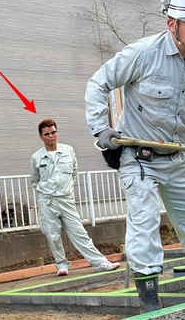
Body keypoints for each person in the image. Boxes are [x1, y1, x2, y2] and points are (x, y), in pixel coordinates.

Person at [86, 0, 185, 312]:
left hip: (178, 155)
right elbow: (98, 83)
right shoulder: (144, 54)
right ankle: (149, 302)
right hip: (140, 157)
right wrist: (101, 130)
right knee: (144, 223)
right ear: (172, 23)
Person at [31, 118, 121, 277]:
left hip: (66, 199)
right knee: (53, 235)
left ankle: (99, 262)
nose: (51, 136)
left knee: (79, 232)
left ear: (57, 133)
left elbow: (74, 172)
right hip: (47, 201)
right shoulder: (36, 158)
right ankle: (61, 265)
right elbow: (35, 180)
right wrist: (43, 195)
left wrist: (67, 189)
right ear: (41, 137)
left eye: (53, 132)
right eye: (47, 134)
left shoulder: (68, 150)